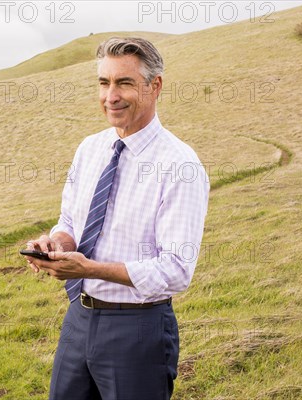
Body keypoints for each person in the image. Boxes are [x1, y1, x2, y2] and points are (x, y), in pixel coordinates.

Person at [24, 37, 209, 399]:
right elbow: (71, 223)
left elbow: (175, 270)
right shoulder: (90, 148)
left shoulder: (180, 165)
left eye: (124, 82)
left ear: (154, 86)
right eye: (104, 83)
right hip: (78, 319)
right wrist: (55, 244)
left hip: (138, 330)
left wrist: (89, 269)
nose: (111, 96)